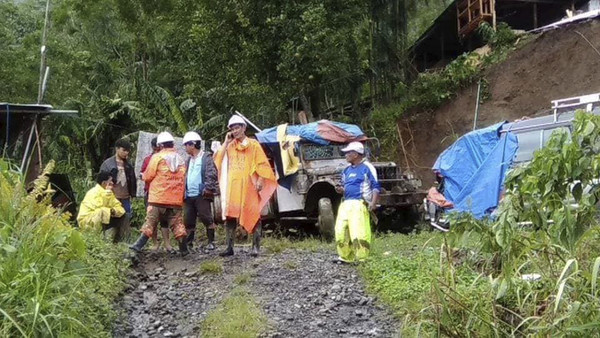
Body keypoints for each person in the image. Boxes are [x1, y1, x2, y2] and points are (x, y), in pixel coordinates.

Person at [213, 115, 277, 257]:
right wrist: (225, 142)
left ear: (244, 128)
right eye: (232, 129)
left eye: (237, 128)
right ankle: (229, 247)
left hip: (249, 186)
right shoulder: (229, 146)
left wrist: (260, 179)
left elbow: (262, 163)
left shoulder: (253, 144)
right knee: (230, 215)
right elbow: (218, 160)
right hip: (233, 187)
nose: (235, 131)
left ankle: (256, 247)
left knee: (253, 213)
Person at [129, 131, 189, 255]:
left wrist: (142, 176)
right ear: (172, 144)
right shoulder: (180, 159)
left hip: (158, 198)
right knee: (177, 224)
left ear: (160, 145)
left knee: (150, 222)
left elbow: (148, 175)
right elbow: (183, 176)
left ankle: (137, 247)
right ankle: (184, 249)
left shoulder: (157, 157)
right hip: (175, 200)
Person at [334, 141, 380, 263]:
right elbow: (344, 187)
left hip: (359, 203)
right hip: (346, 203)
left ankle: (362, 258)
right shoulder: (346, 170)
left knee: (359, 231)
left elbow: (375, 186)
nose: (345, 155)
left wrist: (373, 203)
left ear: (355, 154)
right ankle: (345, 256)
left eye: (348, 153)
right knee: (340, 230)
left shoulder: (367, 167)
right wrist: (340, 190)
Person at [182, 131, 219, 252]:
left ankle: (211, 241)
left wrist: (208, 188)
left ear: (192, 145)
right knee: (188, 220)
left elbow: (211, 174)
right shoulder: (188, 160)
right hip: (189, 195)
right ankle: (189, 243)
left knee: (206, 217)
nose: (185, 148)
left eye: (186, 145)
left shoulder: (206, 158)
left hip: (201, 194)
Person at [99, 138, 137, 242]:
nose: (126, 153)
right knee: (110, 219)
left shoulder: (128, 165)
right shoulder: (107, 164)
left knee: (126, 218)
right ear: (117, 149)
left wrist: (133, 195)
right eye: (124, 150)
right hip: (112, 197)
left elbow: (132, 180)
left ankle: (124, 242)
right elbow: (102, 181)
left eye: (127, 151)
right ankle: (110, 241)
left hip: (125, 197)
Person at [140, 136, 165, 250]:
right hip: (151, 193)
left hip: (164, 193)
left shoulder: (166, 159)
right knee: (152, 219)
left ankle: (167, 243)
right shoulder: (148, 160)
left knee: (165, 219)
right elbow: (143, 175)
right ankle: (155, 243)